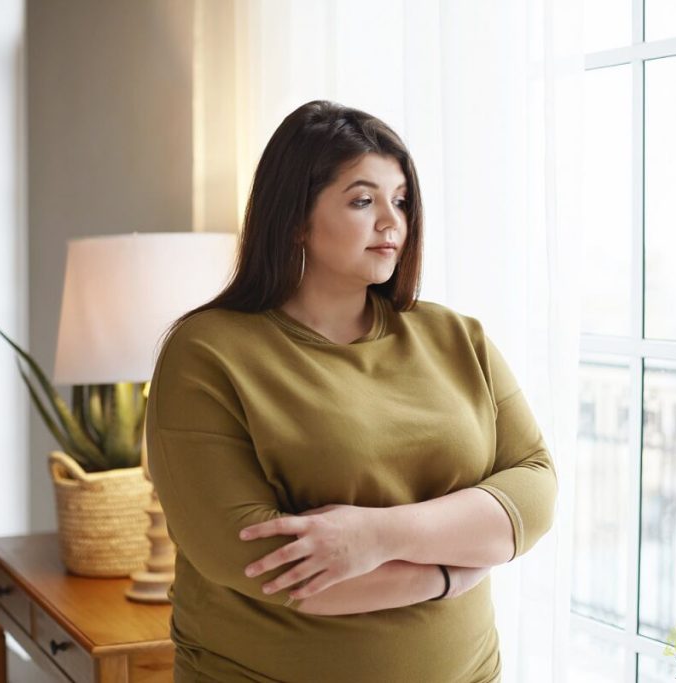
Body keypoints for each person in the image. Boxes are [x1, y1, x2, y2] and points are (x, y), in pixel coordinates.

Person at [145, 99, 558, 683]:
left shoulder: (454, 335)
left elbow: (534, 490)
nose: (392, 222)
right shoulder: (207, 352)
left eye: (401, 200)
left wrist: (375, 536)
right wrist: (455, 570)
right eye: (363, 200)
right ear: (295, 218)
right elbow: (274, 568)